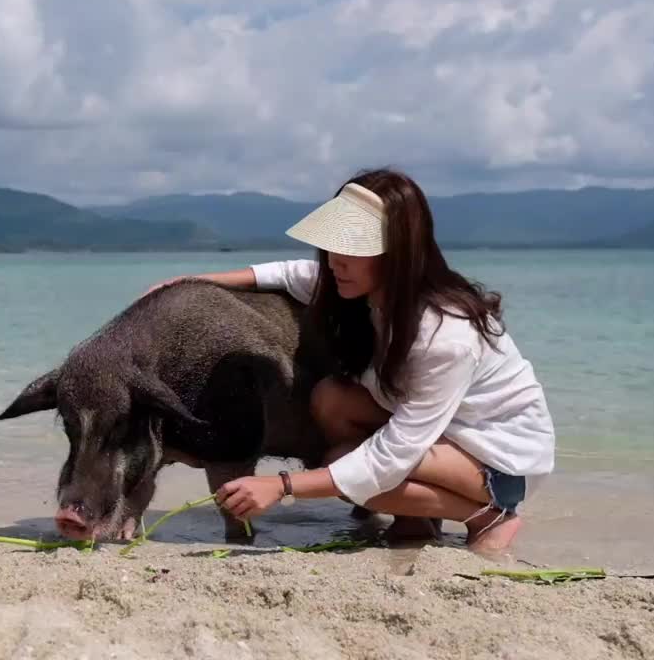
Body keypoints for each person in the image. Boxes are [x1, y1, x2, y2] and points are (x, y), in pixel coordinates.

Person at [146, 168, 555, 551]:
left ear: (399, 253)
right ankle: (416, 518)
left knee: (345, 465)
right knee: (331, 398)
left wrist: (283, 486)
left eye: (354, 248)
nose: (335, 260)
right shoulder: (367, 292)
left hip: (500, 459)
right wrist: (190, 283)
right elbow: (290, 274)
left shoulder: (444, 336)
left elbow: (390, 457)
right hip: (447, 436)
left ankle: (485, 516)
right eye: (334, 244)